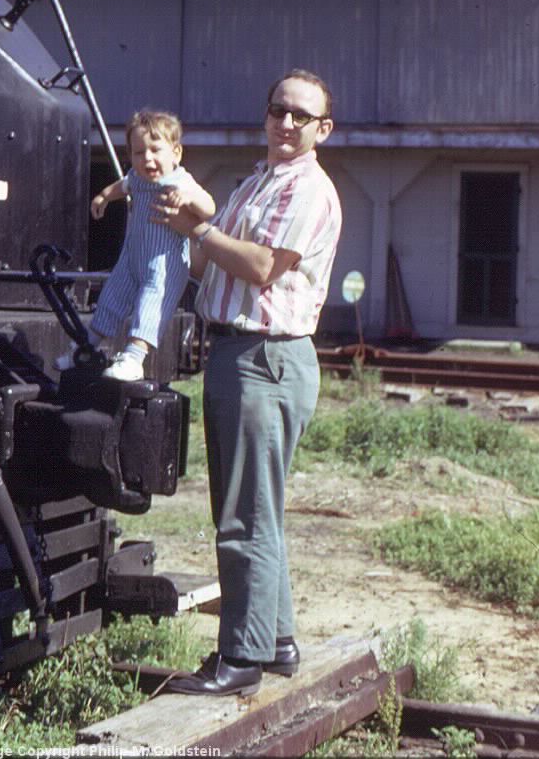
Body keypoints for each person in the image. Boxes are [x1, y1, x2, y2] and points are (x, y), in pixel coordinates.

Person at [154, 69, 342, 695]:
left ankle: (240, 659)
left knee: (243, 518)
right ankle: (277, 640)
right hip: (240, 354)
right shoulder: (259, 181)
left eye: (301, 116)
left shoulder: (309, 190)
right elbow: (208, 257)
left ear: (323, 129)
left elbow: (261, 267)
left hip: (267, 358)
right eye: (278, 110)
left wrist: (201, 228)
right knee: (257, 510)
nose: (286, 124)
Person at [83, 108, 215, 381]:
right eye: (139, 152)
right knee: (111, 297)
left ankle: (134, 358)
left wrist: (188, 198)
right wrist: (103, 197)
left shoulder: (181, 181)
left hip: (164, 264)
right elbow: (124, 185)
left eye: (156, 150)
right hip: (133, 257)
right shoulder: (137, 178)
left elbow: (209, 207)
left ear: (176, 153)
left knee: (150, 307)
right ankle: (86, 346)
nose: (148, 159)